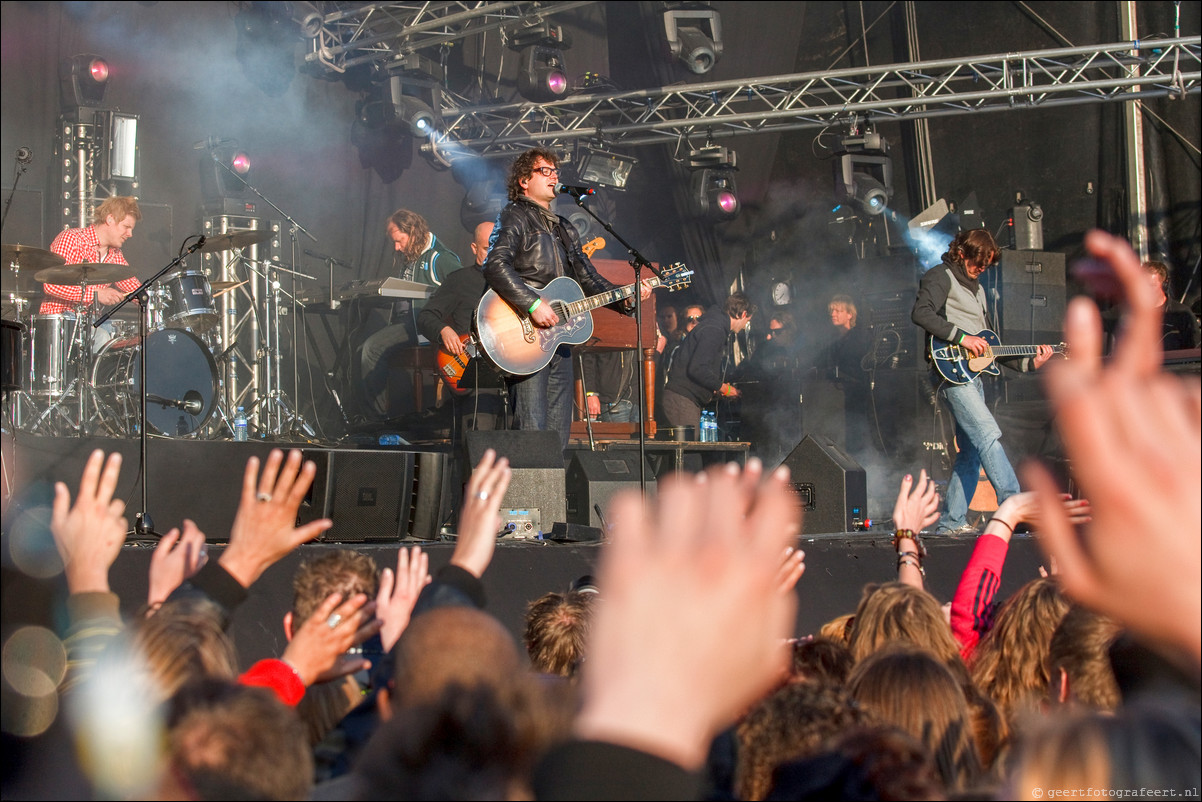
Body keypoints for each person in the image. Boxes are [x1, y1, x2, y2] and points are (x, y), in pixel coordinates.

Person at [480, 146, 648, 450]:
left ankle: (554, 497)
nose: (554, 176)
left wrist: (623, 299)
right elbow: (494, 265)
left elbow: (588, 277)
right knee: (532, 432)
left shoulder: (564, 228)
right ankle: (531, 497)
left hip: (559, 340)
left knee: (558, 437)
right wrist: (532, 304)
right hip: (525, 335)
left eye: (555, 171)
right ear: (523, 180)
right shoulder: (514, 215)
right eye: (545, 171)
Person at [911, 229, 1055, 534]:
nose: (981, 269)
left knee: (972, 451)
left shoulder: (978, 290)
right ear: (962, 254)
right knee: (988, 433)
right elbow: (921, 313)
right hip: (950, 374)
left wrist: (1031, 362)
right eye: (978, 262)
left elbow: (989, 346)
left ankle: (951, 523)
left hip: (971, 377)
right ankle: (1015, 505)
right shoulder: (940, 276)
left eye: (987, 265)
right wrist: (963, 337)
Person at [359, 208, 462, 423]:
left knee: (371, 348)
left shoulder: (439, 258)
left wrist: (443, 325)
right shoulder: (411, 254)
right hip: (406, 322)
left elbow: (463, 290)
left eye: (400, 240)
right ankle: (371, 416)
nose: (396, 247)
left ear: (413, 231)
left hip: (422, 326)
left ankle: (375, 421)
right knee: (361, 347)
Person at [417, 219, 505, 434]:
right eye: (486, 248)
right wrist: (443, 330)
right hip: (474, 370)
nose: (493, 253)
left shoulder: (515, 282)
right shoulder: (459, 280)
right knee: (480, 436)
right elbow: (426, 316)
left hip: (511, 368)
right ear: (474, 248)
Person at [661, 291, 754, 433]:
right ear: (742, 314)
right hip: (682, 400)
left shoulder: (714, 326)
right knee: (690, 454)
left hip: (684, 400)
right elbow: (698, 369)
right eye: (747, 321)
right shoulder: (714, 330)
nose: (744, 326)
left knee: (691, 452)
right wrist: (725, 388)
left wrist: (715, 389)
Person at [40, 196, 141, 314]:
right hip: (62, 318)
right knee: (103, 333)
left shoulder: (115, 254)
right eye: (126, 227)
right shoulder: (72, 239)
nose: (130, 234)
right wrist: (96, 294)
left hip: (90, 323)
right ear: (110, 219)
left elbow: (134, 288)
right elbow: (52, 285)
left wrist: (149, 296)